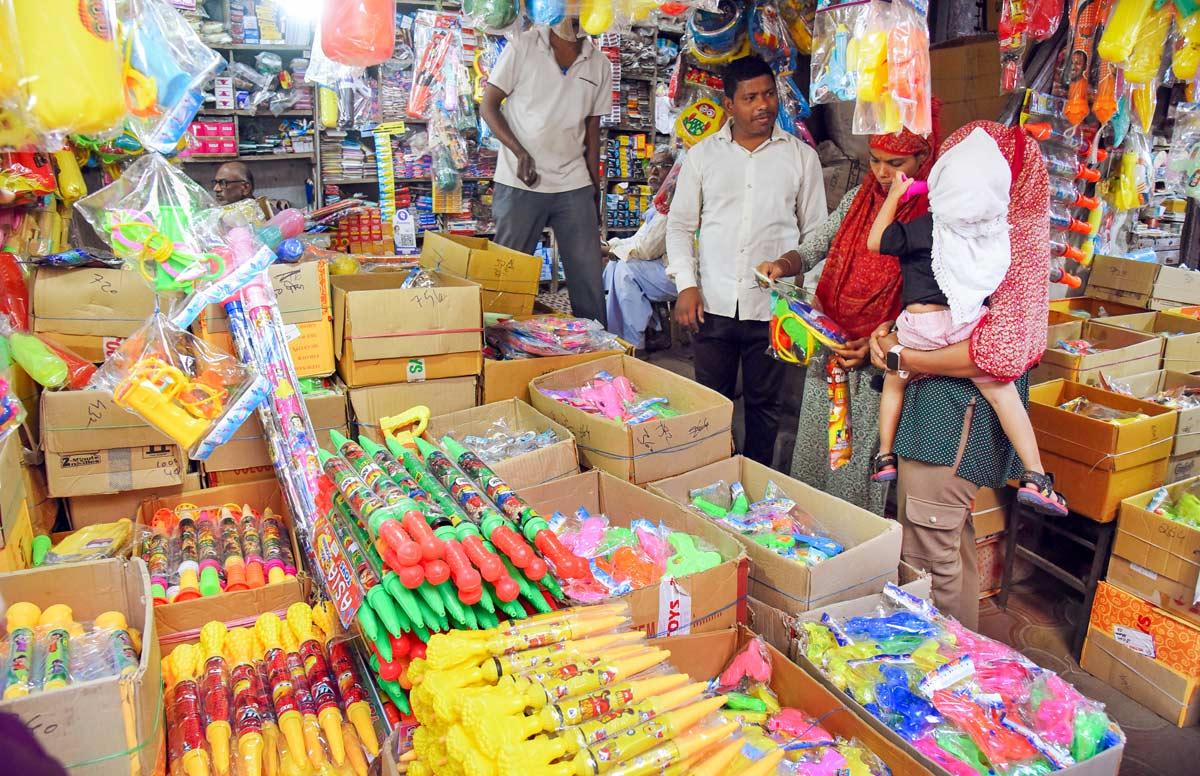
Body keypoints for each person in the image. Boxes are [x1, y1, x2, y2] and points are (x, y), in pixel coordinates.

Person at [867, 120, 1051, 629]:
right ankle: (960, 655)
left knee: (930, 556)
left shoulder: (1006, 245)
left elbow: (993, 353)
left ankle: (941, 671)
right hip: (944, 418)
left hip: (950, 427)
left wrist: (903, 357)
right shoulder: (977, 237)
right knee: (947, 543)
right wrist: (892, 333)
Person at [757, 116, 939, 514]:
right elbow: (818, 242)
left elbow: (929, 299)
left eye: (896, 163)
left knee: (852, 471)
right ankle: (802, 548)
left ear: (923, 158)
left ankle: (849, 558)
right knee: (811, 457)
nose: (882, 172)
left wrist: (882, 337)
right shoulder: (860, 198)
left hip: (877, 358)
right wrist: (783, 264)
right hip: (830, 344)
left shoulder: (934, 215)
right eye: (875, 160)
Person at [667, 55, 827, 466]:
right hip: (713, 303)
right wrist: (686, 284)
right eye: (751, 97)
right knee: (712, 406)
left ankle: (755, 489)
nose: (763, 105)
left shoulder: (800, 158)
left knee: (765, 407)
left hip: (772, 309)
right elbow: (680, 227)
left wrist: (807, 302)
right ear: (730, 104)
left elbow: (816, 235)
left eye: (769, 94)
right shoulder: (702, 158)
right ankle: (711, 478)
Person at [480, 19, 612, 325]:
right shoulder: (523, 45)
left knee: (588, 280)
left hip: (573, 181)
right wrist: (519, 151)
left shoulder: (599, 63)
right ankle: (498, 354)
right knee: (506, 280)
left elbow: (593, 132)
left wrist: (595, 193)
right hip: (520, 180)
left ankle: (596, 353)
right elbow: (488, 105)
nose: (574, 15)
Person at [602, 148, 678, 350]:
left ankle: (635, 342)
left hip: (679, 275)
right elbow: (639, 239)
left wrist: (611, 248)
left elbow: (647, 249)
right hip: (663, 268)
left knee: (626, 270)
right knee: (615, 264)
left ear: (674, 171)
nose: (653, 171)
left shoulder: (672, 202)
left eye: (662, 167)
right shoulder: (659, 203)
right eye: (651, 165)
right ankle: (619, 334)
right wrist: (610, 246)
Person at [212, 161, 290, 211]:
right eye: (216, 182)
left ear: (245, 187)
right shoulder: (220, 215)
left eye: (223, 183)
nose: (216, 189)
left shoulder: (267, 216)